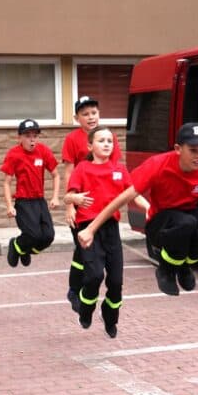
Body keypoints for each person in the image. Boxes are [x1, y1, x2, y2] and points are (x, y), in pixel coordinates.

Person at [77, 122, 198, 296]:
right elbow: (122, 198)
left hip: (187, 215)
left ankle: (184, 265)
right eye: (193, 150)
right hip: (160, 222)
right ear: (178, 149)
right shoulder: (157, 165)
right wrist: (91, 229)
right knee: (186, 223)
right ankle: (166, 269)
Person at [64, 126, 149, 337]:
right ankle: (86, 310)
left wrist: (149, 208)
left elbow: (134, 194)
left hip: (111, 230)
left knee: (116, 282)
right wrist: (74, 199)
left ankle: (110, 316)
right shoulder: (82, 168)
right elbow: (68, 197)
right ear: (90, 146)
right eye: (101, 140)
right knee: (93, 276)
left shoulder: (120, 170)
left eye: (110, 141)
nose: (106, 144)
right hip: (88, 228)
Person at [62, 96, 124, 311]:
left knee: (90, 253)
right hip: (82, 202)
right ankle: (74, 289)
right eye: (85, 114)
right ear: (77, 118)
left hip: (104, 206)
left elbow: (115, 169)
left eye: (94, 113)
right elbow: (69, 171)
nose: (91, 117)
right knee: (83, 249)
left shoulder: (107, 136)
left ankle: (84, 290)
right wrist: (70, 205)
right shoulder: (71, 139)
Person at [1, 119, 60, 268]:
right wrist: (9, 206)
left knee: (48, 236)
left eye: (35, 135)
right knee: (33, 235)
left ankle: (24, 249)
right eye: (27, 135)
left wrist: (55, 197)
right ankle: (16, 245)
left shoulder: (44, 151)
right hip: (23, 202)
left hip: (39, 201)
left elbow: (56, 175)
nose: (32, 139)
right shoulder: (14, 154)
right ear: (19, 137)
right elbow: (7, 183)